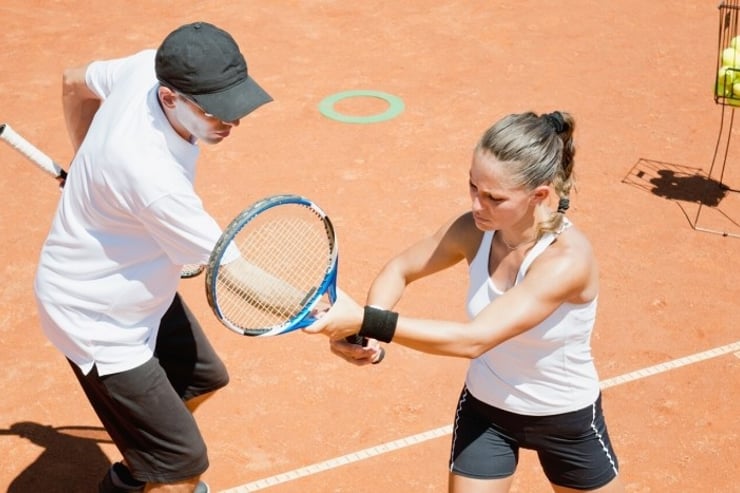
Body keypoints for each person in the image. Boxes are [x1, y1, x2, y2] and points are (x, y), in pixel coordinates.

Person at [306, 111, 625, 492]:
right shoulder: (474, 231)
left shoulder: (566, 260)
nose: (477, 205)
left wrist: (367, 321)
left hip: (564, 418)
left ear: (539, 195)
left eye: (494, 197)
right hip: (486, 412)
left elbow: (474, 339)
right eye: (473, 187)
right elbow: (400, 269)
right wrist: (369, 328)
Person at [33, 22, 272, 493]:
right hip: (95, 317)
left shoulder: (147, 66)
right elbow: (236, 271)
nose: (232, 122)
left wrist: (86, 161)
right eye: (216, 112)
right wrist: (331, 316)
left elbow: (72, 80)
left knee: (201, 380)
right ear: (169, 99)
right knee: (183, 465)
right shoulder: (152, 177)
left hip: (137, 291)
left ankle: (136, 475)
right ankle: (161, 471)